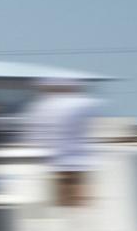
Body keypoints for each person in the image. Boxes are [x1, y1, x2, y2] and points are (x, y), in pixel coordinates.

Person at [22, 77, 101, 208]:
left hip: (55, 161)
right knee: (81, 197)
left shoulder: (41, 106)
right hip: (81, 160)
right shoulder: (83, 103)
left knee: (61, 198)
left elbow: (34, 135)